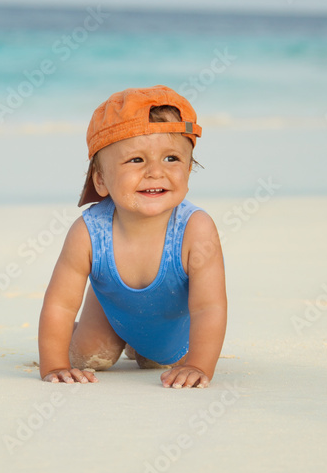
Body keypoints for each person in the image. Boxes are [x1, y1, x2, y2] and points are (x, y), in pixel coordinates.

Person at [38, 86, 227, 388]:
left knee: (159, 360)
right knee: (89, 355)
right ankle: (104, 306)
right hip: (112, 312)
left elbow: (209, 307)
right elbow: (59, 304)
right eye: (136, 160)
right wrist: (53, 365)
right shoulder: (88, 231)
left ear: (189, 169)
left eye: (171, 158)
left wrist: (198, 365)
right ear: (100, 179)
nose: (155, 171)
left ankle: (139, 344)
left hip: (169, 338)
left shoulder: (196, 230)